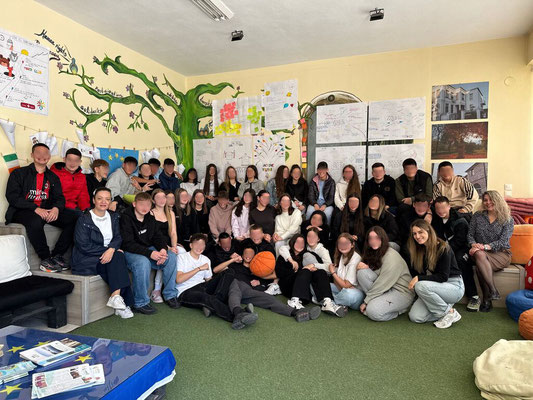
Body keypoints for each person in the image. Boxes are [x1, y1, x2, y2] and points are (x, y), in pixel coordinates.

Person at [5, 143, 77, 272]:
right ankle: (45, 258)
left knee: (75, 218)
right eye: (38, 153)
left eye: (45, 153)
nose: (42, 156)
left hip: (46, 210)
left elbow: (60, 198)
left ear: (49, 156)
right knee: (35, 220)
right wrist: (35, 208)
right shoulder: (19, 173)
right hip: (22, 211)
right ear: (32, 155)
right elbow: (13, 197)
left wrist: (56, 209)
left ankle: (56, 255)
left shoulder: (53, 177)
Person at [71, 187, 134, 319]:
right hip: (86, 259)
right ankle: (123, 302)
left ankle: (116, 297)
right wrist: (109, 250)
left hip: (107, 257)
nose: (104, 202)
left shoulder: (114, 216)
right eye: (100, 198)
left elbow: (118, 237)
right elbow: (83, 245)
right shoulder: (84, 219)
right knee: (118, 259)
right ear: (94, 200)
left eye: (107, 199)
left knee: (117, 259)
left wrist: (111, 249)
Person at [177, 233, 258, 330]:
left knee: (229, 271)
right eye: (197, 244)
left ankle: (216, 302)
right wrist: (199, 269)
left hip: (202, 285)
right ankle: (238, 314)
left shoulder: (205, 259)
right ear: (191, 245)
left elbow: (209, 280)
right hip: (185, 291)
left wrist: (220, 285)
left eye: (202, 244)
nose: (199, 247)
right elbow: (179, 279)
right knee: (206, 297)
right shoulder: (181, 257)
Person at [225, 246, 321, 322]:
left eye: (251, 254)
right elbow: (219, 269)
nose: (248, 255)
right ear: (242, 255)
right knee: (234, 289)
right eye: (246, 253)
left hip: (247, 290)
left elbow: (269, 279)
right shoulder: (234, 265)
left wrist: (260, 281)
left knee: (268, 298)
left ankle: (295, 312)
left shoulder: (257, 270)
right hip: (231, 284)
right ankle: (238, 313)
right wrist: (232, 259)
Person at [120, 192, 180, 314]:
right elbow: (128, 244)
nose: (145, 208)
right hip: (130, 252)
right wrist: (150, 253)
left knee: (171, 256)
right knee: (143, 262)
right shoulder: (126, 218)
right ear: (134, 204)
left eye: (147, 205)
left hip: (147, 250)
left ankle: (170, 294)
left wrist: (163, 249)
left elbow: (157, 236)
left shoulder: (150, 218)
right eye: (141, 204)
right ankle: (140, 302)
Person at [407, 220, 464, 328]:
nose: (417, 236)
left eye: (420, 232)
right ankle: (444, 308)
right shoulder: (421, 249)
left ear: (429, 231)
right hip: (437, 287)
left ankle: (450, 312)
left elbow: (443, 276)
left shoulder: (443, 247)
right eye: (414, 233)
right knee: (415, 317)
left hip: (454, 287)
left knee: (420, 285)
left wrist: (418, 278)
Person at [275, 235, 346, 317]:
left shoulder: (309, 254)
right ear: (292, 243)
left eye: (302, 243)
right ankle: (294, 302)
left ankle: (327, 302)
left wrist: (314, 267)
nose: (300, 244)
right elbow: (279, 273)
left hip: (304, 290)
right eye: (297, 242)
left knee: (320, 271)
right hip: (288, 286)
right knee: (305, 271)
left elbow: (324, 267)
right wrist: (297, 269)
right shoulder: (285, 255)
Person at [467, 190, 514, 312]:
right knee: (479, 255)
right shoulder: (477, 216)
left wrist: (485, 247)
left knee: (480, 264)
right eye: (485, 200)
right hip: (479, 252)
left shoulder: (507, 219)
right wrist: (473, 244)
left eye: (491, 199)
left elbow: (503, 242)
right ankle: (493, 290)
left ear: (498, 200)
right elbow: (470, 235)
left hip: (501, 254)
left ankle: (487, 299)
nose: (488, 202)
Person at [356, 227, 414, 321]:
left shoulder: (391, 257)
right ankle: (378, 302)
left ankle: (398, 310)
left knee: (372, 311)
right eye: (370, 238)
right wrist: (366, 267)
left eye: (377, 238)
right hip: (386, 288)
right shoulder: (374, 251)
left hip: (401, 292)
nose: (373, 241)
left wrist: (366, 301)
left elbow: (383, 282)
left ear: (383, 239)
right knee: (362, 273)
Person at [432, 196, 478, 311]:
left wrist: (444, 251)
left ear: (449, 206)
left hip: (461, 248)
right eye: (438, 208)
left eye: (443, 207)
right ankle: (440, 294)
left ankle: (473, 296)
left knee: (460, 260)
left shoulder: (459, 220)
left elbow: (460, 241)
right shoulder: (435, 219)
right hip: (444, 248)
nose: (441, 211)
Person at [150, 189, 182, 304]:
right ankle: (162, 291)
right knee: (169, 257)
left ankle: (178, 289)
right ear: (153, 200)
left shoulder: (170, 213)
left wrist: (174, 246)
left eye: (164, 197)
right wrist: (168, 248)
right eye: (158, 197)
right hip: (155, 244)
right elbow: (152, 236)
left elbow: (173, 232)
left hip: (168, 244)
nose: (162, 200)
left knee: (179, 254)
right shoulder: (150, 213)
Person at [329, 234, 364, 310]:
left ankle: (329, 302)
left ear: (352, 245)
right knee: (321, 285)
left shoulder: (356, 258)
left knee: (347, 294)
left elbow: (346, 285)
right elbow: (338, 282)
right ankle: (337, 303)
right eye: (340, 243)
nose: (343, 246)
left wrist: (333, 272)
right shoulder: (340, 256)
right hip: (342, 289)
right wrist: (343, 286)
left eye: (346, 243)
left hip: (356, 294)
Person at [50, 148, 90, 213]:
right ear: (64, 159)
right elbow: (52, 195)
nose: (72, 163)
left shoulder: (82, 177)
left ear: (80, 162)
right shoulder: (54, 173)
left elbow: (83, 196)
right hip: (57, 207)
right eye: (69, 160)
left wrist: (86, 210)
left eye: (76, 161)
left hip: (74, 208)